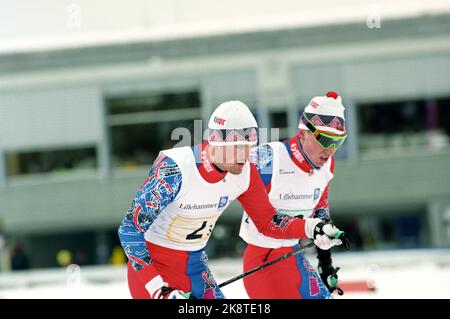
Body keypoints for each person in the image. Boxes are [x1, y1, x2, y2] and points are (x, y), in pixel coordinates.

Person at [117, 100, 347, 299]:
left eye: (249, 147)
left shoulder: (244, 172)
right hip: (153, 269)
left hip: (195, 265)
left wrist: (313, 228)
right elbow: (129, 229)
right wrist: (158, 289)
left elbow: (268, 221)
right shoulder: (176, 168)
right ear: (216, 142)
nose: (246, 156)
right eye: (238, 147)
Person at [239, 91, 350, 299]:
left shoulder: (326, 165)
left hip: (292, 257)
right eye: (325, 140)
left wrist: (325, 263)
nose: (331, 150)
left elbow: (320, 211)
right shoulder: (268, 159)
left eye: (339, 142)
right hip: (260, 262)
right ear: (303, 133)